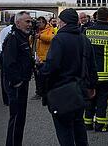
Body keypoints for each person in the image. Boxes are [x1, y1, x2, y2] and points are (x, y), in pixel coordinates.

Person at [41, 8, 98, 146]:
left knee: (64, 131)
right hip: (80, 91)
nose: (58, 23)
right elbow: (92, 66)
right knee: (79, 127)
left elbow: (51, 67)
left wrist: (41, 75)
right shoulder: (84, 39)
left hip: (62, 92)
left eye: (59, 20)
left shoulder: (59, 39)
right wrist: (92, 86)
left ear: (64, 22)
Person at [1, 11, 35, 146]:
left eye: (30, 21)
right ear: (18, 23)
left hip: (22, 82)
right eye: (27, 22)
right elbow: (8, 63)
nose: (30, 24)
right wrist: (17, 82)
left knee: (21, 118)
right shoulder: (13, 38)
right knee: (16, 118)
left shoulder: (22, 36)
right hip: (16, 85)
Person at [33, 16, 55, 100]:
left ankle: (46, 94)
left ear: (44, 22)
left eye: (40, 23)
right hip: (37, 57)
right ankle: (38, 92)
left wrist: (40, 36)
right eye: (37, 23)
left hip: (45, 57)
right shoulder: (36, 30)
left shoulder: (50, 29)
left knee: (45, 78)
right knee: (37, 77)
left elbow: (51, 38)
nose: (38, 25)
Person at [0, 18, 14, 106]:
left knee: (4, 76)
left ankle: (6, 100)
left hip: (2, 54)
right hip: (10, 55)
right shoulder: (14, 31)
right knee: (12, 77)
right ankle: (12, 97)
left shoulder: (4, 30)